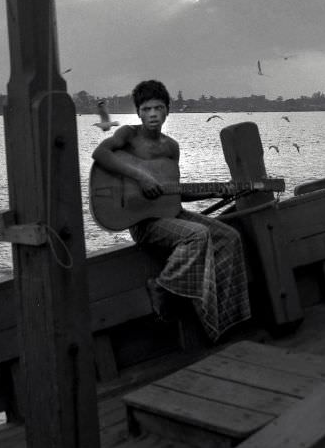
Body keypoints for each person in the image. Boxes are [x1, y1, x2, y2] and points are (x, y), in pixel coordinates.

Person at [92, 79, 250, 341]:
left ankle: (222, 319)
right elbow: (101, 153)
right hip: (144, 222)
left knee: (229, 237)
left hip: (171, 215)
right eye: (145, 109)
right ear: (138, 112)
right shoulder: (128, 136)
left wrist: (218, 190)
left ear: (167, 111)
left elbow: (173, 191)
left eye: (158, 108)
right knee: (197, 235)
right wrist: (141, 176)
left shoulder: (171, 147)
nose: (152, 114)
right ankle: (162, 288)